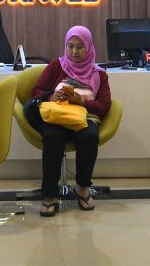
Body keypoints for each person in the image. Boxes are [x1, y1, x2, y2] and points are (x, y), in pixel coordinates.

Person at [23, 26, 111, 217]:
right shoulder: (57, 65)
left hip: (82, 117)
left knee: (89, 135)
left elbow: (104, 105)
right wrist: (50, 95)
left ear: (89, 47)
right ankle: (50, 195)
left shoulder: (99, 74)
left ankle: (82, 188)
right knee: (53, 138)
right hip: (56, 118)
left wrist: (83, 103)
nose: (74, 51)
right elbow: (36, 91)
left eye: (80, 47)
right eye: (70, 46)